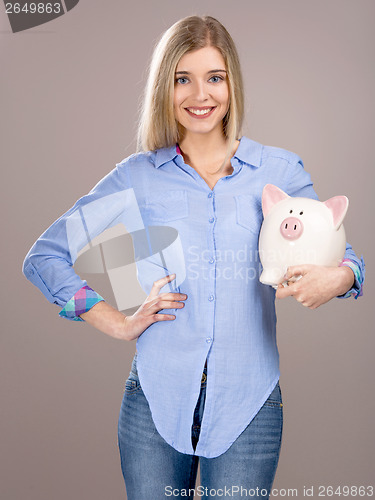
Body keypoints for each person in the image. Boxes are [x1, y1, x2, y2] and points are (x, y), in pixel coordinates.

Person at [22, 15, 364, 500]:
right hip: (154, 405)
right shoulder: (138, 177)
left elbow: (345, 256)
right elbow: (45, 257)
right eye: (183, 78)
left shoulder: (278, 169)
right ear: (166, 86)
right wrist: (116, 323)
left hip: (250, 405)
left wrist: (339, 277)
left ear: (232, 85)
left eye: (214, 78)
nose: (200, 95)